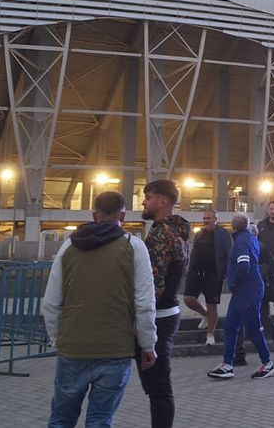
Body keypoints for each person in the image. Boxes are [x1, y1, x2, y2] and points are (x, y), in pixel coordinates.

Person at [42, 191, 157, 428]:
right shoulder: (134, 247)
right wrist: (148, 344)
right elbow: (145, 303)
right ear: (123, 216)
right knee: (100, 420)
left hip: (73, 348)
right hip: (115, 350)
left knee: (61, 419)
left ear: (94, 214)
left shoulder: (68, 247)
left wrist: (57, 338)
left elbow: (51, 302)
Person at [135, 179, 190, 428]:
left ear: (162, 201)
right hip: (169, 313)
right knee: (159, 389)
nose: (144, 201)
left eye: (148, 196)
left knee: (158, 389)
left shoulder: (161, 236)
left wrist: (140, 320)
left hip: (158, 317)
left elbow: (152, 287)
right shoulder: (176, 232)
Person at [209, 213, 274, 380]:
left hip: (246, 290)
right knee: (231, 326)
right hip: (247, 290)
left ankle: (267, 363)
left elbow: (243, 265)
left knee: (252, 327)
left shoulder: (240, 242)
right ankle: (227, 364)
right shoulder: (251, 238)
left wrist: (233, 282)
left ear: (233, 226)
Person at [184, 210, 231, 346]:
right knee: (188, 299)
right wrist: (189, 267)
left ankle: (210, 334)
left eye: (208, 218)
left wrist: (227, 273)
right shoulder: (199, 233)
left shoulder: (223, 234)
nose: (206, 220)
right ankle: (205, 314)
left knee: (212, 305)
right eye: (204, 218)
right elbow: (194, 251)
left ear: (216, 219)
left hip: (214, 274)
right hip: (196, 272)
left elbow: (229, 253)